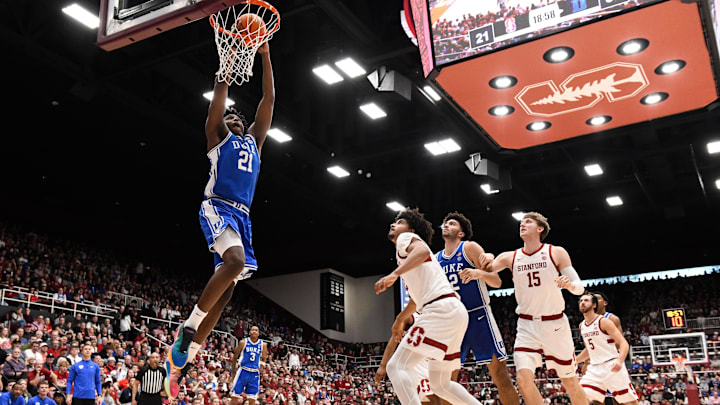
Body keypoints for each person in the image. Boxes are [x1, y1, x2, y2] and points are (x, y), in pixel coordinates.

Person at [168, 40, 275, 375]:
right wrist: (225, 68)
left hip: (242, 217)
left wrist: (266, 56)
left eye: (237, 118)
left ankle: (189, 353)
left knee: (227, 292)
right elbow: (218, 99)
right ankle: (190, 324)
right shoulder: (217, 137)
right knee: (235, 262)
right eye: (228, 117)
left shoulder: (255, 143)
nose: (233, 119)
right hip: (217, 207)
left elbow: (268, 100)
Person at [474, 212, 588, 405]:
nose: (522, 224)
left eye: (528, 222)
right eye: (521, 222)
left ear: (540, 228)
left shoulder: (556, 252)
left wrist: (570, 285)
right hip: (526, 325)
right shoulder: (510, 257)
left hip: (555, 325)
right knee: (522, 380)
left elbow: (580, 287)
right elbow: (487, 269)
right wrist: (488, 256)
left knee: (570, 381)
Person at [374, 208, 479, 405]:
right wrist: (400, 320)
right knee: (440, 385)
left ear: (411, 230)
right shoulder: (412, 261)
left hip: (440, 310)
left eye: (400, 222)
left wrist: (394, 274)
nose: (393, 224)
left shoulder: (406, 240)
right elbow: (416, 300)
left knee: (396, 367)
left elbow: (421, 252)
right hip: (453, 311)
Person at [436, 212, 519, 405]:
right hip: (453, 321)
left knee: (500, 374)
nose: (446, 225)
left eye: (452, 223)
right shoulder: (436, 259)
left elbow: (497, 282)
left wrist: (478, 273)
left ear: (461, 233)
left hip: (478, 315)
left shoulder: (470, 248)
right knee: (447, 381)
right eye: (445, 223)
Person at [577, 293, 638, 404]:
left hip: (611, 364)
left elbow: (623, 343)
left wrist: (619, 361)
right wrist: (575, 361)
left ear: (594, 305)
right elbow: (589, 349)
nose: (582, 303)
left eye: (586, 300)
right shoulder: (582, 326)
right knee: (581, 396)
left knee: (627, 402)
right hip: (595, 368)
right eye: (581, 300)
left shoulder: (604, 321)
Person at [375, 311, 440, 405]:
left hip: (431, 363)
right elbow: (394, 338)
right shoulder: (412, 317)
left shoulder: (436, 318)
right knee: (430, 400)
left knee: (432, 399)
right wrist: (383, 365)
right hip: (416, 366)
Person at [229, 326, 268, 405]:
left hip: (254, 373)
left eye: (256, 330)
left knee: (252, 399)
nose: (254, 331)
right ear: (249, 332)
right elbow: (235, 357)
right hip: (243, 371)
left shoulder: (263, 344)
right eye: (252, 330)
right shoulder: (243, 342)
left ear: (258, 333)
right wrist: (233, 372)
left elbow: (264, 358)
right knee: (234, 396)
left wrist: (261, 368)